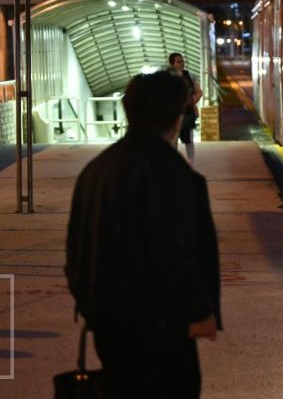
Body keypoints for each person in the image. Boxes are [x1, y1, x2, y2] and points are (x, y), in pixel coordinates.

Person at [65, 70, 221, 398]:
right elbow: (176, 252)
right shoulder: (173, 174)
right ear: (175, 116)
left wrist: (91, 306)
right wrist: (199, 312)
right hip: (162, 327)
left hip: (107, 325)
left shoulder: (96, 170)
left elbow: (75, 252)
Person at [169, 52, 203, 164]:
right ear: (172, 64)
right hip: (172, 115)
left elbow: (199, 92)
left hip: (187, 114)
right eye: (178, 61)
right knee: (172, 141)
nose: (182, 63)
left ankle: (191, 162)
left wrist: (192, 100)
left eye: (182, 61)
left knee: (188, 140)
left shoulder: (189, 76)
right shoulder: (166, 77)